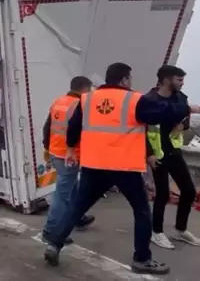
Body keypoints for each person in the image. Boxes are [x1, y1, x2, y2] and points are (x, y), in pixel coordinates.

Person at [43, 62, 200, 275]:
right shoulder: (134, 99)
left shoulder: (87, 99)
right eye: (130, 78)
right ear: (124, 80)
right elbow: (162, 114)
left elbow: (74, 127)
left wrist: (70, 149)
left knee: (77, 207)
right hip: (124, 165)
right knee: (142, 211)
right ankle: (142, 258)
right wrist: (188, 108)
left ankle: (54, 244)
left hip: (94, 164)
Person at [146, 65, 200, 249]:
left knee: (189, 191)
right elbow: (142, 128)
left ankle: (180, 229)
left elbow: (186, 116)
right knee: (162, 194)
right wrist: (149, 154)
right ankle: (157, 232)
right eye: (179, 79)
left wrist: (183, 126)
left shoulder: (180, 97)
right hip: (157, 153)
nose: (182, 83)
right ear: (167, 79)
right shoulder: (150, 99)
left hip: (174, 151)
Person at [41, 76, 95, 246]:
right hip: (70, 155)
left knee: (72, 189)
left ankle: (77, 218)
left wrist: (48, 148)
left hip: (57, 152)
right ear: (85, 89)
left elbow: (47, 126)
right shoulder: (81, 105)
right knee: (62, 195)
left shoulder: (59, 101)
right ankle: (51, 232)